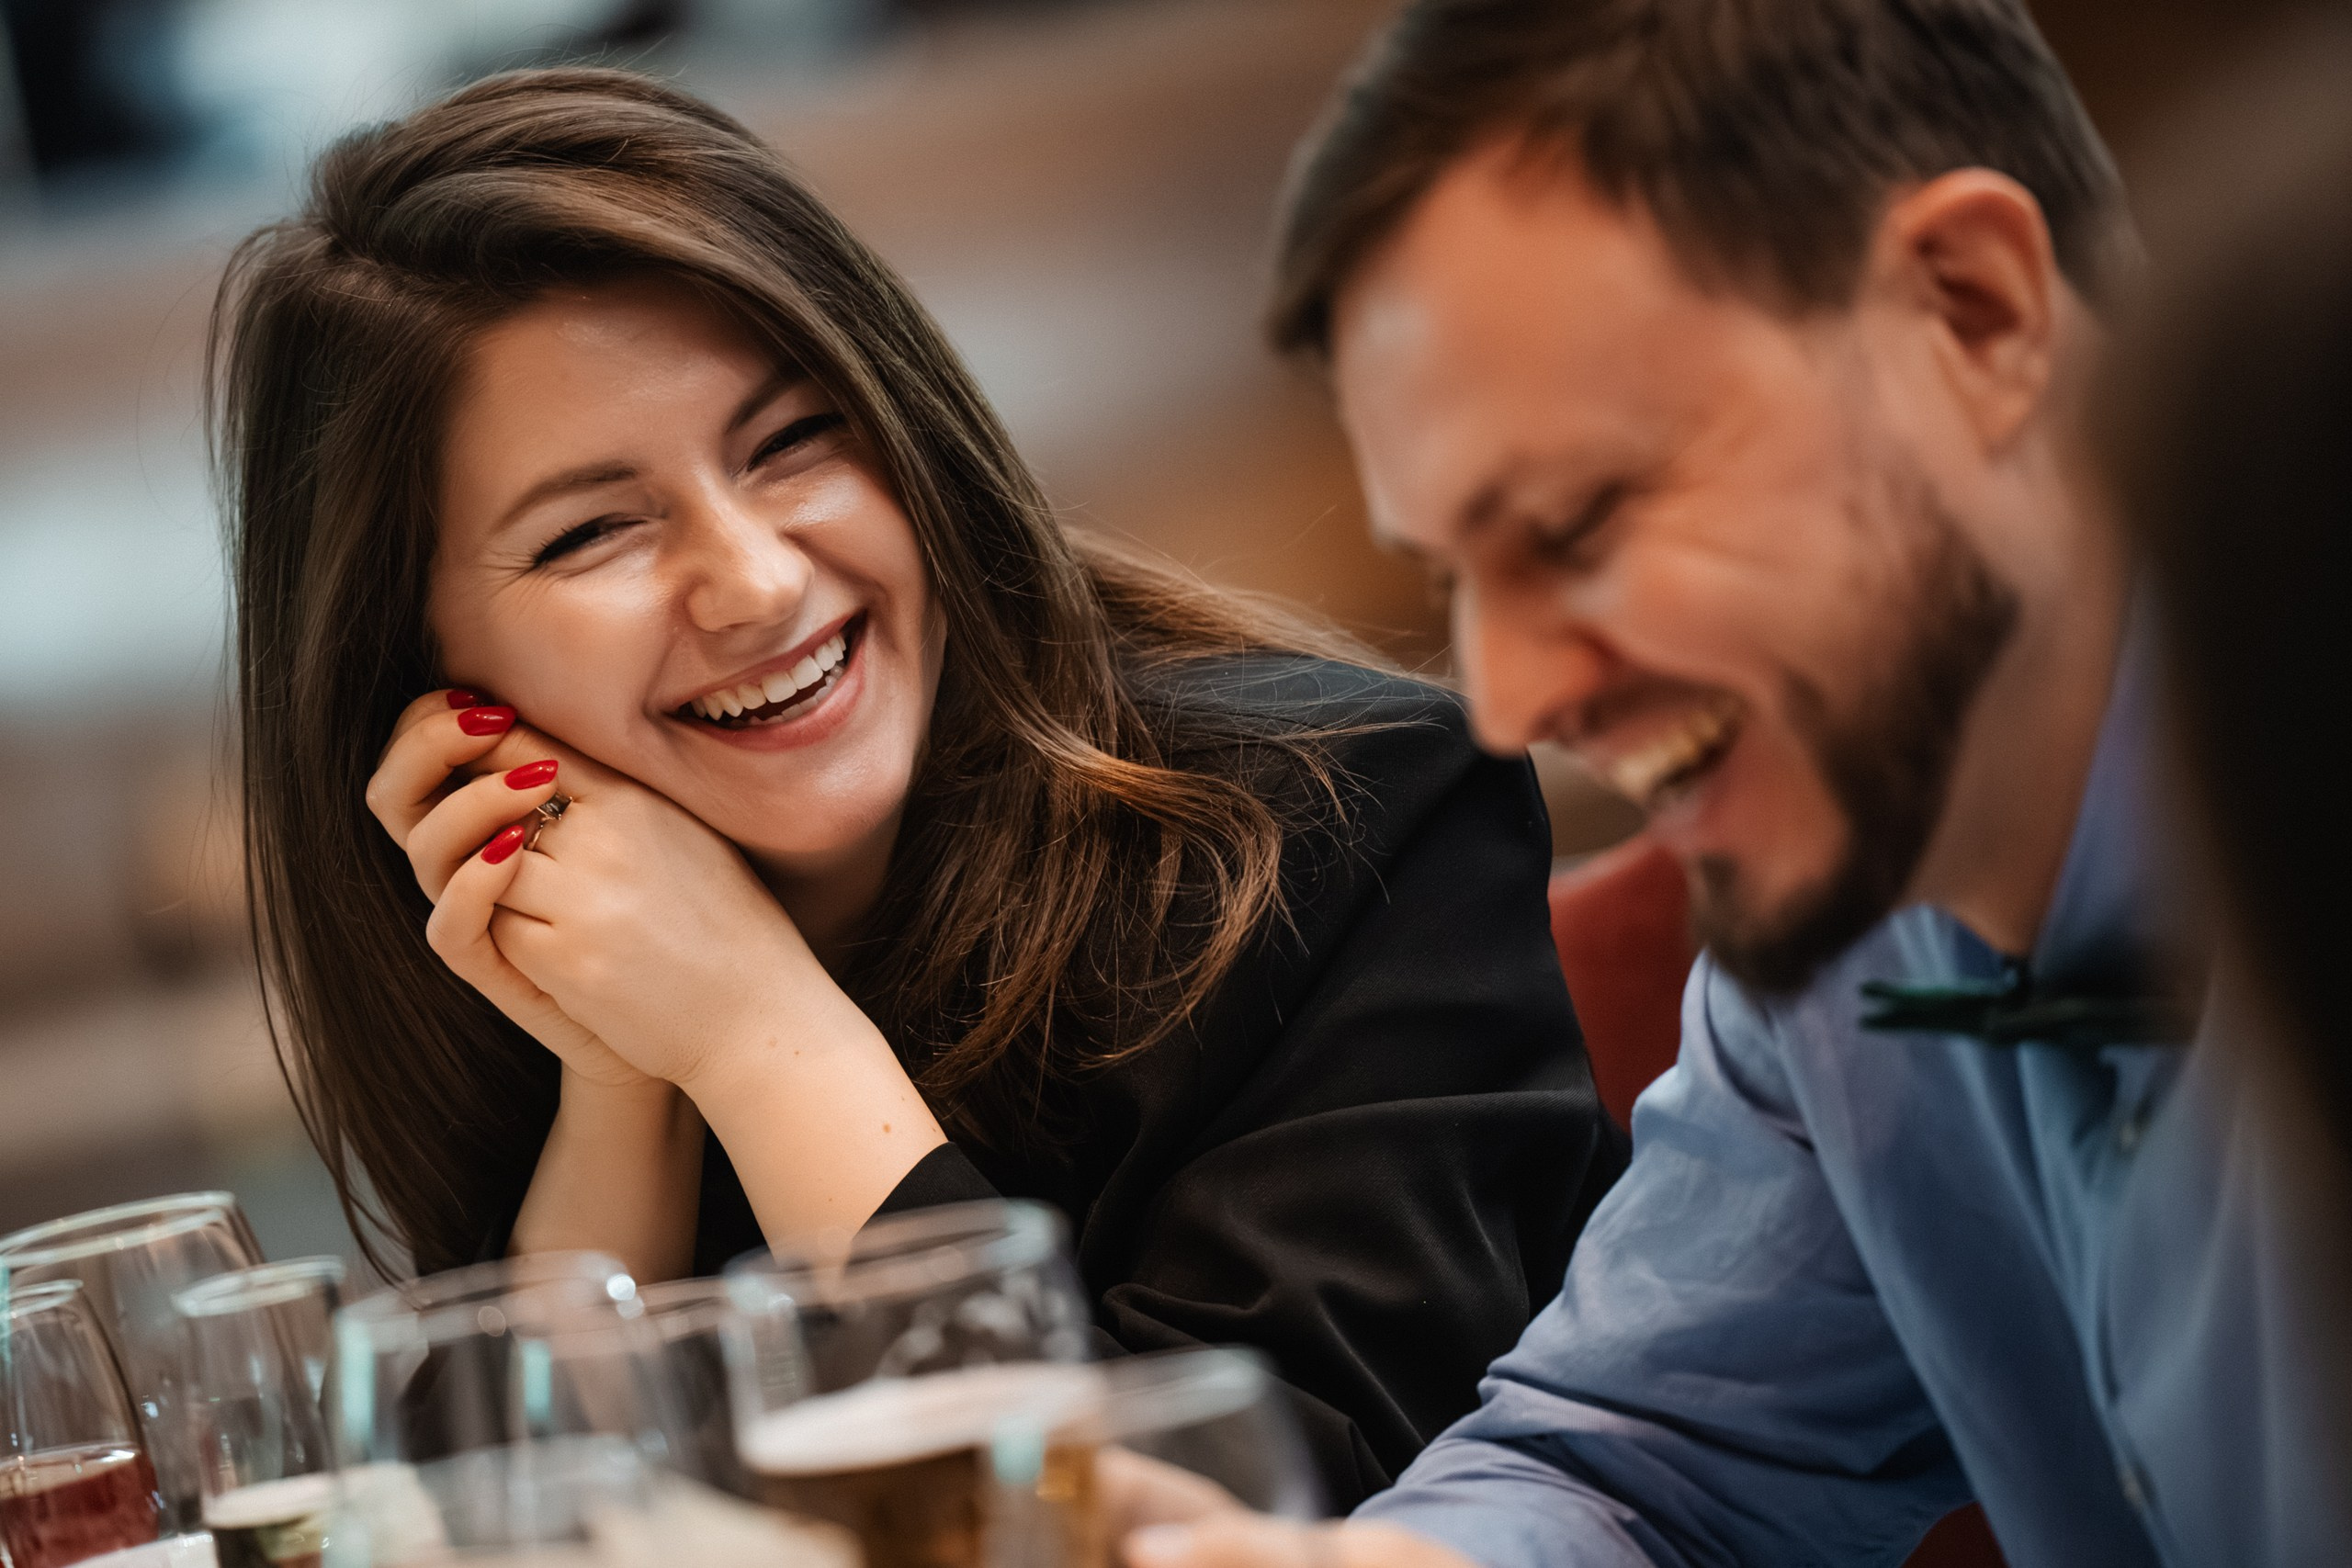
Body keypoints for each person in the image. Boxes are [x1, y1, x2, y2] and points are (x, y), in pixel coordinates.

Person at [209, 67, 1624, 1504]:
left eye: (794, 442)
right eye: (590, 534)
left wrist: (764, 1042)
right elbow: (526, 1542)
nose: (756, 581)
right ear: (422, 667)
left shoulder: (1356, 821)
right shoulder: (526, 981)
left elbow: (1243, 1520)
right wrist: (624, 1089)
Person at [1119, 0, 2349, 1563]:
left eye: (1576, 525)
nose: (1508, 704)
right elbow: (1641, 1461)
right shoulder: (1858, 912)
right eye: (1456, 583)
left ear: (1974, 313)